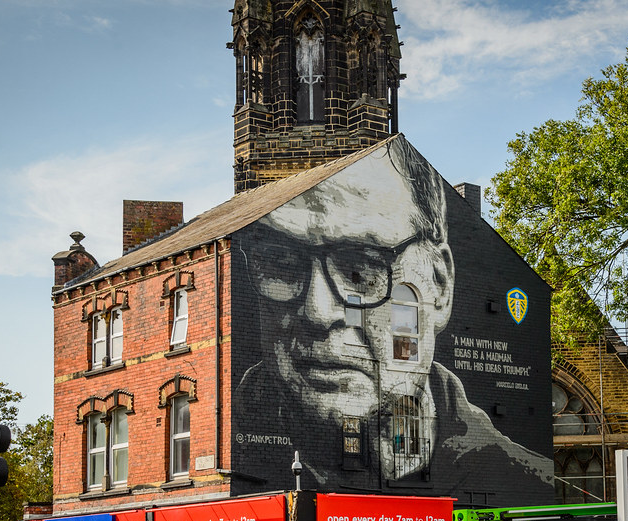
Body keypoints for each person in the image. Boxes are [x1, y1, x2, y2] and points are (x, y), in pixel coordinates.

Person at [234, 136, 553, 496]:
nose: (317, 312)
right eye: (279, 261)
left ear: (438, 284)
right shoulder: (235, 454)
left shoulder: (525, 482)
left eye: (360, 267)